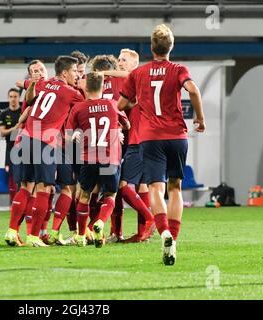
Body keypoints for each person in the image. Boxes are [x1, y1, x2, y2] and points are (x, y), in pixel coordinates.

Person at [118, 24, 205, 265]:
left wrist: (137, 103)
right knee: (175, 188)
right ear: (171, 47)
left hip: (150, 137)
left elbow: (120, 105)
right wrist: (200, 117)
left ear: (151, 48)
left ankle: (164, 231)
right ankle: (173, 239)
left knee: (155, 187)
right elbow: (194, 91)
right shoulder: (178, 69)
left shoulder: (138, 74)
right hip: (176, 136)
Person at [6, 55, 84, 247]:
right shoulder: (70, 92)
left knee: (25, 186)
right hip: (45, 141)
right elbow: (85, 103)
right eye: (74, 71)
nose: (76, 74)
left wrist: (29, 84)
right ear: (65, 72)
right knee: (45, 188)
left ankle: (11, 231)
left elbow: (29, 98)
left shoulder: (43, 84)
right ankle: (34, 236)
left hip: (26, 138)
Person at [65, 72, 129, 247]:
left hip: (88, 158)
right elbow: (127, 125)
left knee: (84, 195)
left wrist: (79, 133)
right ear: (102, 86)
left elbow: (68, 135)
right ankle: (100, 222)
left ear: (86, 87)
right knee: (111, 194)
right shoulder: (113, 105)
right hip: (110, 157)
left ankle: (80, 236)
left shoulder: (78, 108)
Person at [0, 88, 21, 204]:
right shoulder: (4, 113)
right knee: (11, 177)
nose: (13, 99)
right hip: (10, 149)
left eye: (15, 97)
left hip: (23, 148)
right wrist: (15, 128)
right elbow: (2, 132)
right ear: (8, 98)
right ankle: (13, 204)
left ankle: (23, 203)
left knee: (23, 177)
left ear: (19, 98)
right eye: (11, 97)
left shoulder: (23, 111)